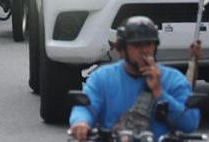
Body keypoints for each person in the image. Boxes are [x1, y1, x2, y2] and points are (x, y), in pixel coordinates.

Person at [68, 17, 201, 141]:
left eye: (148, 44)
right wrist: (81, 122)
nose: (144, 51)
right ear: (121, 49)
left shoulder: (173, 79)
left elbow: (190, 123)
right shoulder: (102, 77)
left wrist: (159, 91)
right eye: (137, 45)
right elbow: (86, 106)